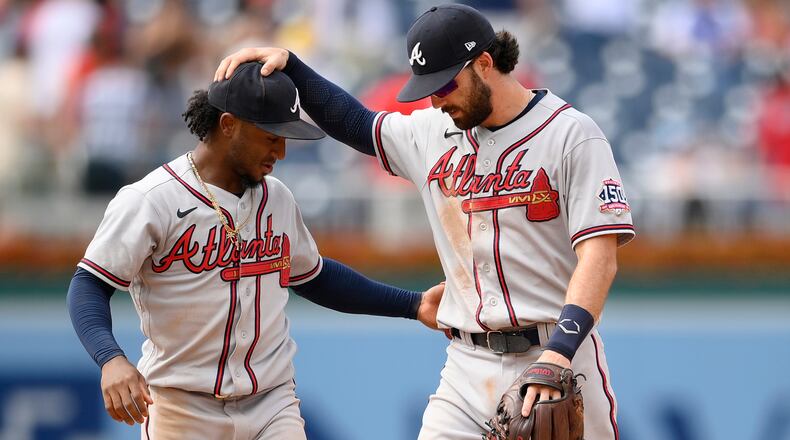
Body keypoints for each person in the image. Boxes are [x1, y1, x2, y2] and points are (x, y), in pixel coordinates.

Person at [214, 4, 635, 440]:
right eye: (428, 88)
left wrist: (561, 352)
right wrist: (296, 68)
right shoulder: (434, 131)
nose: (436, 99)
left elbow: (599, 259)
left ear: (485, 63)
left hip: (557, 356)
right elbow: (359, 124)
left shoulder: (571, 135)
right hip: (466, 363)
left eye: (445, 85)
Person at [66, 62, 444, 440]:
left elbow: (315, 277)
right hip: (183, 405)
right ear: (229, 124)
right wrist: (110, 358)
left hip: (271, 402)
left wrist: (411, 305)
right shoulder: (151, 200)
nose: (281, 150)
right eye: (271, 135)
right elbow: (89, 284)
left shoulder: (277, 197)